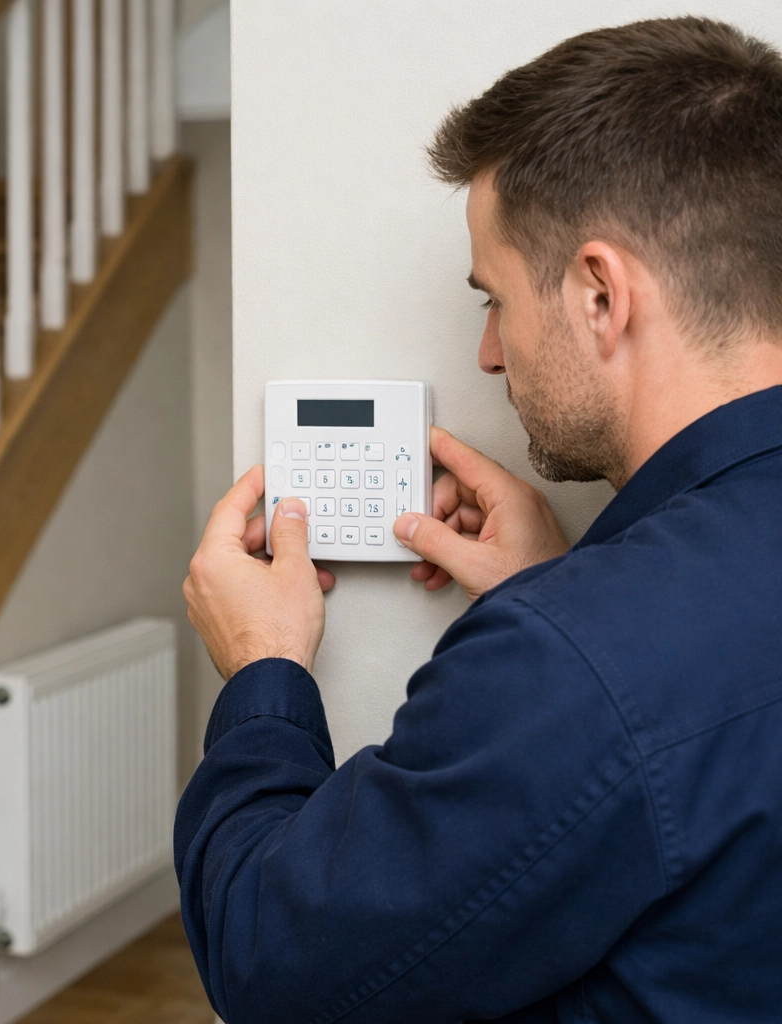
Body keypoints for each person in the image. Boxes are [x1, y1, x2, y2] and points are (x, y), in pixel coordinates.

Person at [175, 17, 782, 1023]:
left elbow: (274, 966)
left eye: (492, 299)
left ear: (599, 293)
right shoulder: (606, 630)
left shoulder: (576, 656)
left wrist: (262, 672)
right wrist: (570, 583)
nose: (490, 353)